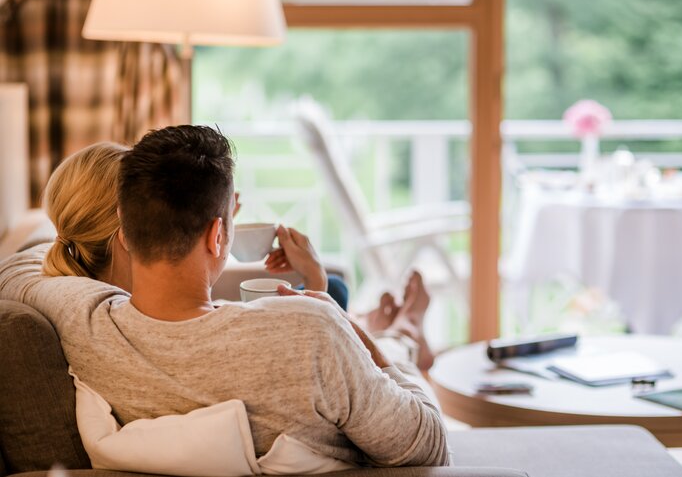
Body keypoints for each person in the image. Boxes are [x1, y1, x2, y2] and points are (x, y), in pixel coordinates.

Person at [0, 127, 447, 466]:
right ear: (218, 234)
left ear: (127, 230)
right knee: (378, 339)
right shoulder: (314, 331)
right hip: (359, 394)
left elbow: (21, 265)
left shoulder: (74, 313)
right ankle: (403, 334)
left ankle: (400, 332)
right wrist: (352, 330)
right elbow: (430, 448)